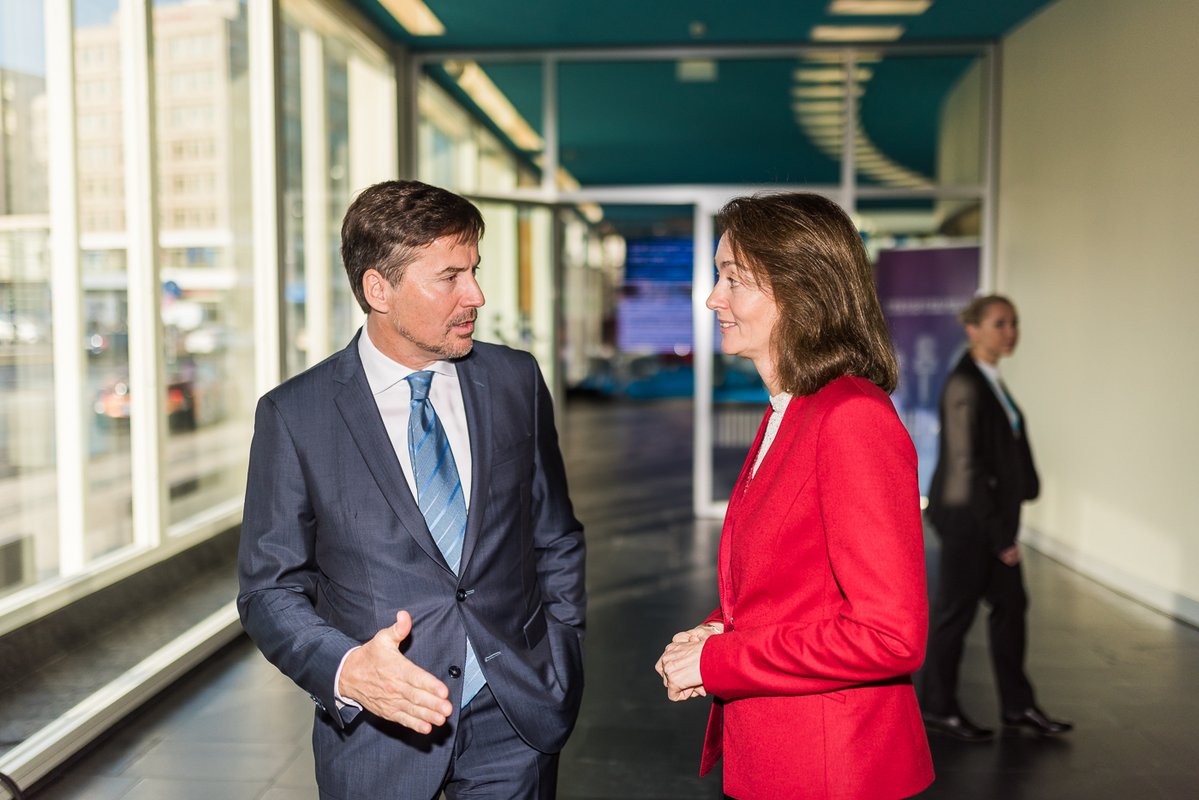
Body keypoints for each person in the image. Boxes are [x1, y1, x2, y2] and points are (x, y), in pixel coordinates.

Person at [237, 180, 586, 799]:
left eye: (474, 271)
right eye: (449, 276)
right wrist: (347, 670)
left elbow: (554, 534)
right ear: (378, 289)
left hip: (517, 717)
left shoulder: (515, 380)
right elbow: (269, 589)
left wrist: (561, 654)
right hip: (379, 735)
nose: (475, 295)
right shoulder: (296, 415)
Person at [655, 193, 934, 799]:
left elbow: (889, 634)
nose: (713, 298)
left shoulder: (851, 418)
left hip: (833, 769)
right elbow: (792, 582)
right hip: (790, 755)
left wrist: (721, 661)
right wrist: (713, 630)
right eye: (716, 276)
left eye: (733, 279)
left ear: (801, 293)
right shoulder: (793, 409)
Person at [920, 295, 1072, 741]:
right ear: (973, 329)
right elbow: (967, 469)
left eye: (1014, 323)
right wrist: (998, 536)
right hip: (970, 522)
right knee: (955, 614)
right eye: (1000, 323)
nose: (1011, 332)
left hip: (986, 521)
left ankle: (1018, 707)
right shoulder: (965, 384)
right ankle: (937, 705)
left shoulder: (989, 379)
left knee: (1010, 606)